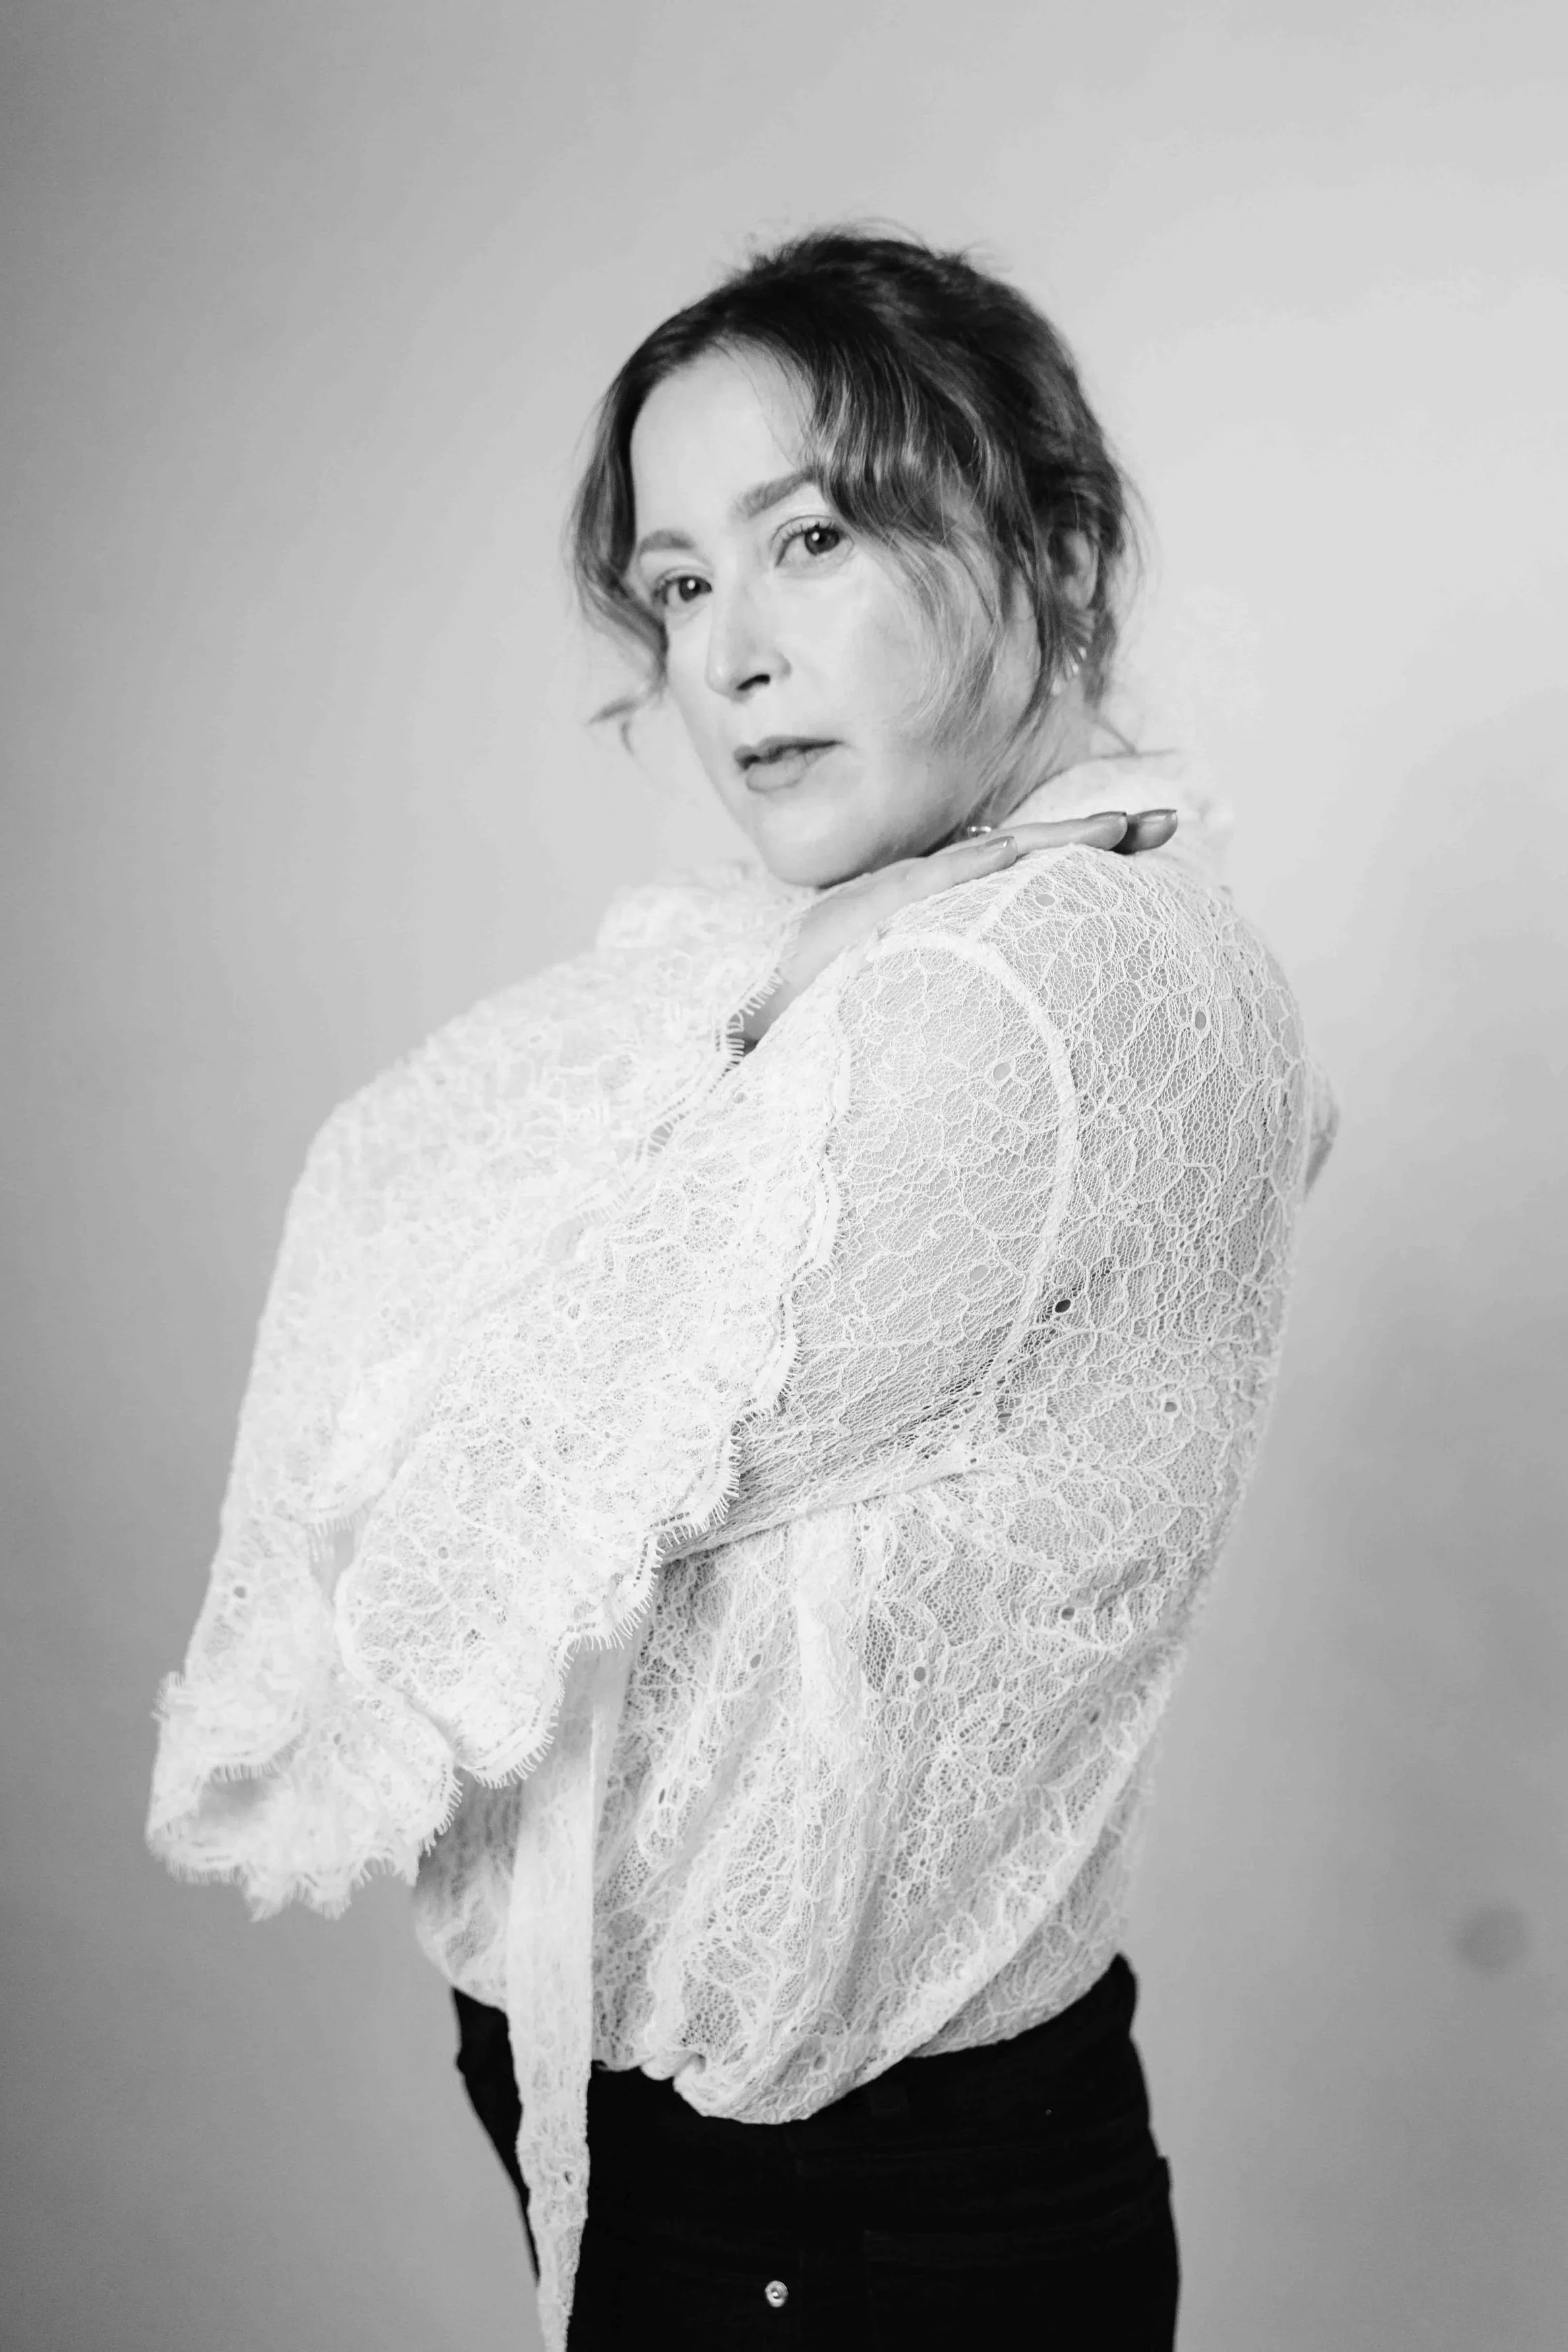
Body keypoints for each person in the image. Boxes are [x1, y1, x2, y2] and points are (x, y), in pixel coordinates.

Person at [147, 227, 1337, 2352]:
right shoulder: (872, 938)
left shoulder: (1033, 990)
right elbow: (385, 1187)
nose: (732, 655)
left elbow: (459, 1480)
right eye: (683, 583)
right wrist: (785, 978)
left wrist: (786, 990)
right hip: (746, 2189)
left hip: (849, 2227)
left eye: (813, 537)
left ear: (1056, 546)